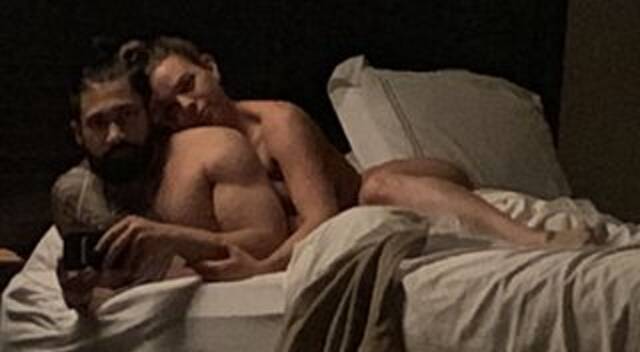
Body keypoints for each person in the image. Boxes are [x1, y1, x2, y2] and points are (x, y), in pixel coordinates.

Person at [142, 35, 597, 282]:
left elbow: (321, 216)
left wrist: (262, 269)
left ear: (211, 68)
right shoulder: (203, 159)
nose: (187, 108)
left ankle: (531, 237)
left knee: (376, 187)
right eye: (168, 110)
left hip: (377, 183)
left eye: (188, 85)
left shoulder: (278, 123)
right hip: (352, 189)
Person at [53, 41, 289, 314]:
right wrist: (79, 296)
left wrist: (173, 239)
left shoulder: (214, 151)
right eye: (98, 123)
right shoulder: (73, 196)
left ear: (149, 113)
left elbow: (269, 240)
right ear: (78, 133)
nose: (115, 135)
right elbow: (103, 300)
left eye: (127, 115)